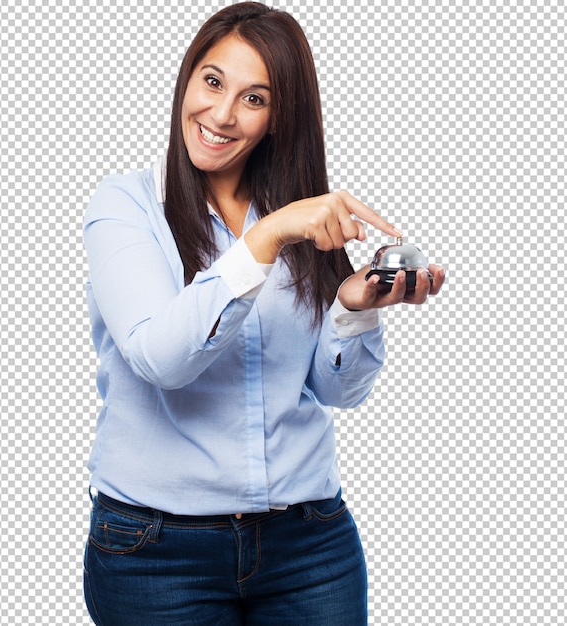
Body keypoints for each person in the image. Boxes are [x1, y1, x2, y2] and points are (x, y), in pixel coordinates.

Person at [82, 2, 445, 625]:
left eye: (255, 98)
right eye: (213, 81)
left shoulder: (297, 217)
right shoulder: (125, 206)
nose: (221, 114)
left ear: (279, 118)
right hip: (154, 552)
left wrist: (352, 310)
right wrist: (266, 239)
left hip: (310, 546)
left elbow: (334, 390)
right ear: (187, 79)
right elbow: (159, 358)